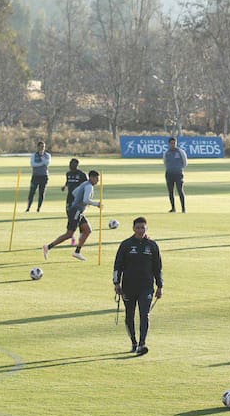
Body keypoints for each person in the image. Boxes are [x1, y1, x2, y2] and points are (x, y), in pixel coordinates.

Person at [113, 216, 163, 356]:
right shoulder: (126, 245)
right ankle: (134, 342)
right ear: (133, 228)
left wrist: (160, 286)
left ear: (147, 228)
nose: (140, 230)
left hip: (146, 286)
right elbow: (118, 265)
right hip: (128, 286)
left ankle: (142, 344)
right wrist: (116, 283)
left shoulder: (152, 246)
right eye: (138, 227)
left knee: (144, 314)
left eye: (143, 227)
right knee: (129, 316)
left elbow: (157, 268)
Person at [43, 170, 102, 261]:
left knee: (87, 230)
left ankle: (77, 252)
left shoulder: (84, 184)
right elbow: (86, 200)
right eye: (97, 179)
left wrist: (79, 201)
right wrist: (96, 204)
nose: (97, 181)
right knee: (69, 234)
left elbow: (74, 192)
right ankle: (48, 247)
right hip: (76, 211)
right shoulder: (89, 186)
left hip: (78, 211)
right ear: (91, 178)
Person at [62, 159, 88, 245]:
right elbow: (68, 182)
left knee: (79, 219)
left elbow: (87, 186)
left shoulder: (82, 175)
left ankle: (80, 237)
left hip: (78, 201)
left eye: (73, 164)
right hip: (69, 199)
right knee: (70, 218)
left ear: (77, 165)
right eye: (70, 164)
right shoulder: (68, 174)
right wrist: (65, 186)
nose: (71, 165)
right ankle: (72, 237)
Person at [163, 137, 188, 213]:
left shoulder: (180, 152)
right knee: (170, 192)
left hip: (178, 174)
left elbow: (185, 162)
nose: (173, 145)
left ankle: (183, 208)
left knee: (180, 191)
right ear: (169, 144)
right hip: (169, 174)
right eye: (171, 143)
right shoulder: (166, 153)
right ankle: (173, 208)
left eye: (174, 143)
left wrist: (179, 168)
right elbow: (165, 162)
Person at [26, 140, 51, 212]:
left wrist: (42, 157)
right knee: (32, 192)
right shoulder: (34, 155)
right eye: (41, 147)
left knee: (41, 193)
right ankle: (28, 207)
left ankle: (38, 208)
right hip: (35, 176)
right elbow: (33, 164)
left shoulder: (47, 155)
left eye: (43, 147)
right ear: (37, 147)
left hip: (44, 176)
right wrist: (41, 163)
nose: (42, 148)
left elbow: (47, 163)